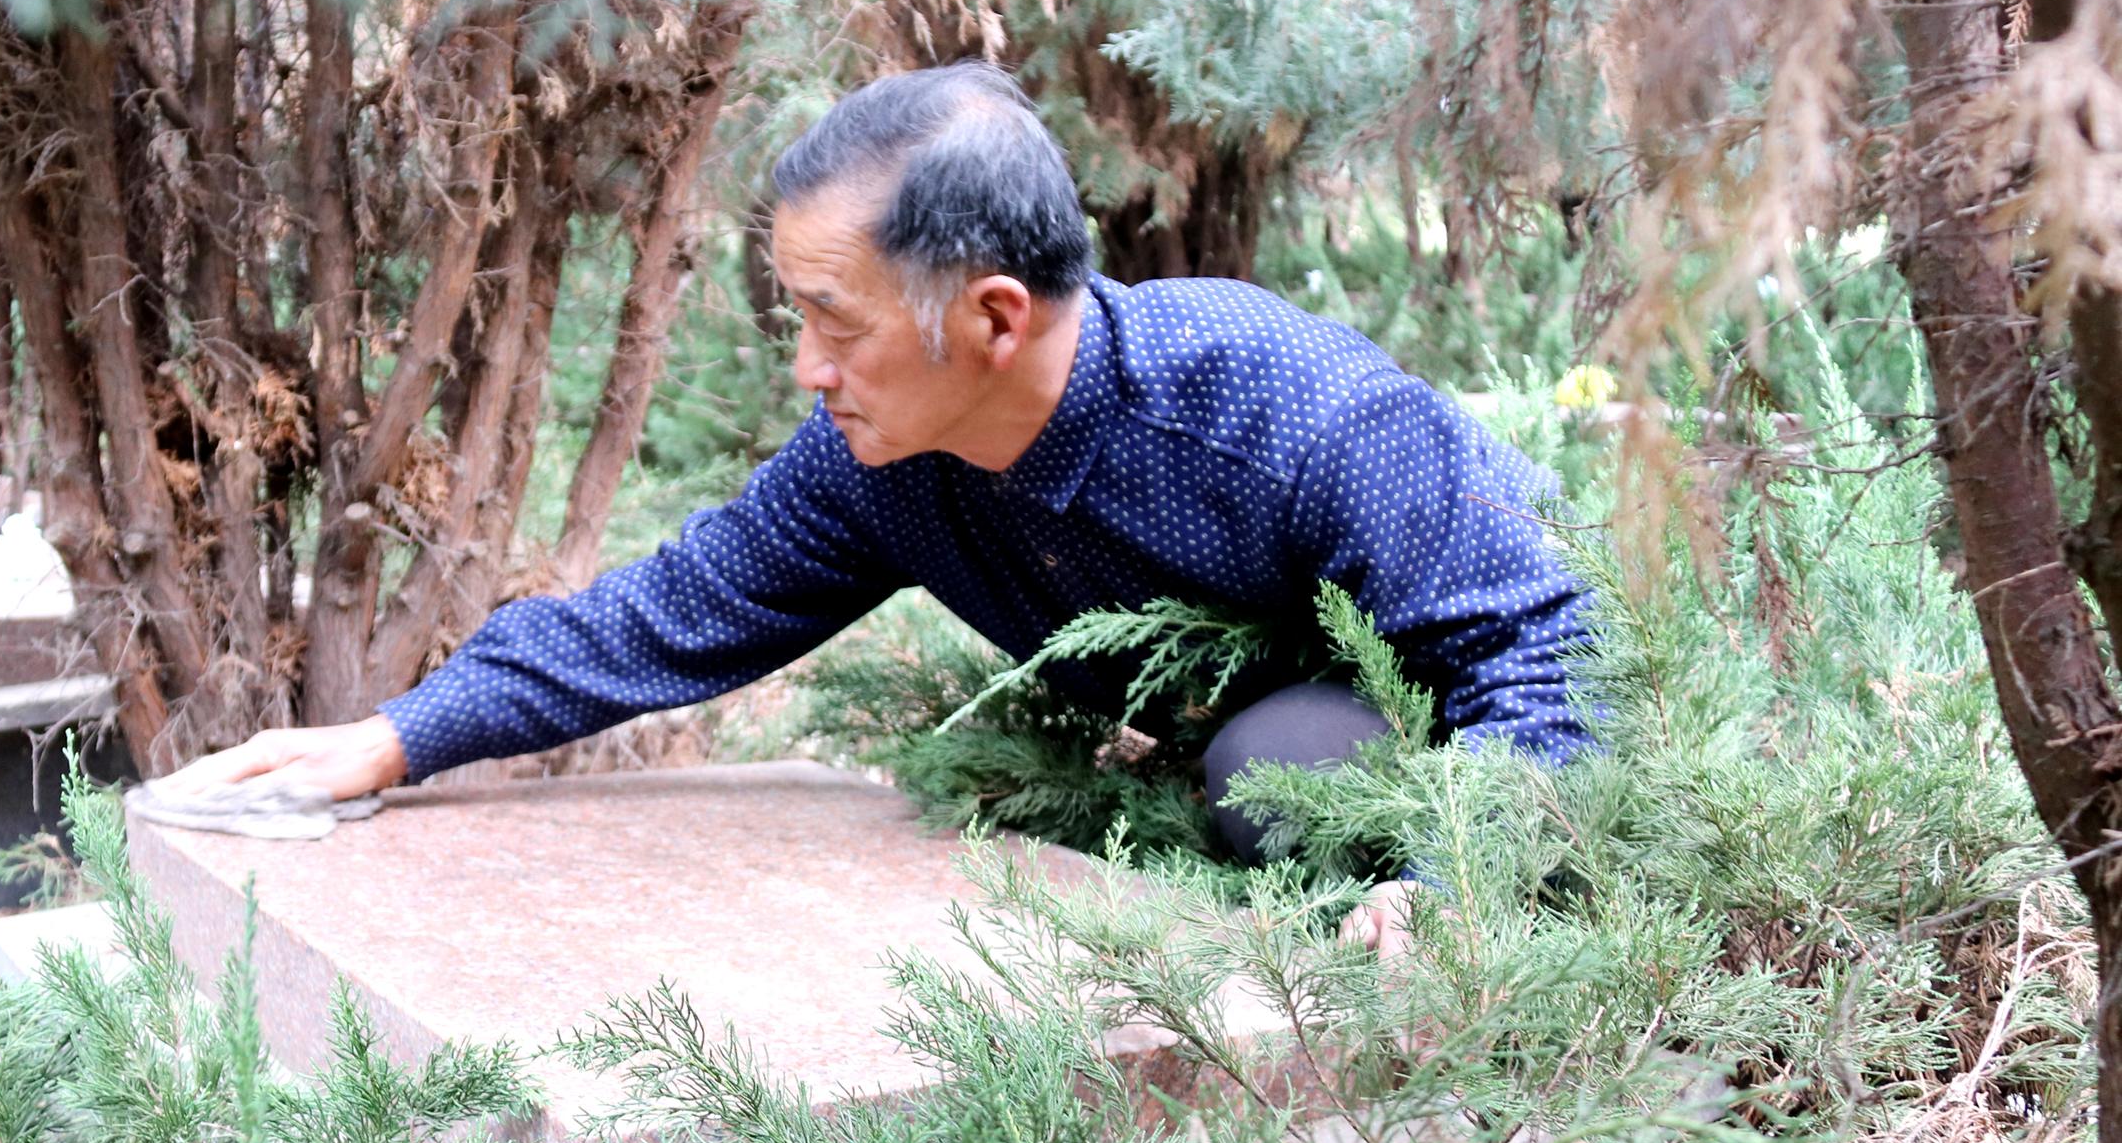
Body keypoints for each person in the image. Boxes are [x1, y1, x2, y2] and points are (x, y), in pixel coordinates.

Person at [183, 61, 1594, 952]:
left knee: (1274, 770)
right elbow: (671, 612)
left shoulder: (1290, 410)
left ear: (990, 316)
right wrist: (391, 741)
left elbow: (1548, 659)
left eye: (831, 320)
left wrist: (1452, 884)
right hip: (1213, 752)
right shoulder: (876, 463)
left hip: (1430, 752)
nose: (808, 368)